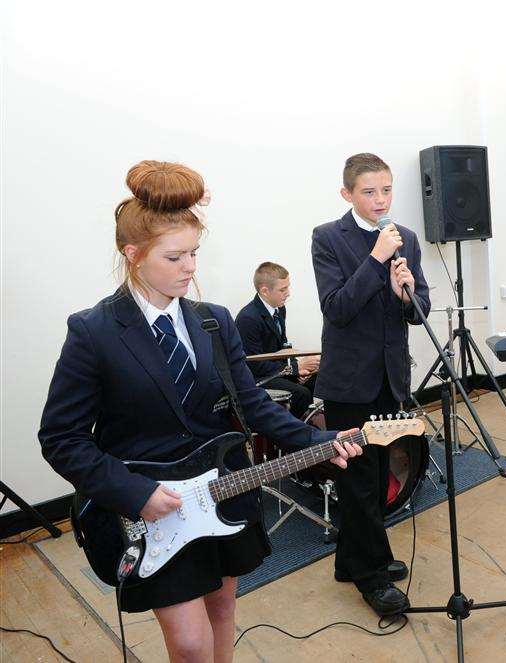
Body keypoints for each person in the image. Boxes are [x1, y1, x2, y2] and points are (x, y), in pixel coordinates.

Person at [38, 160, 361, 663]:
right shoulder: (93, 331)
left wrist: (320, 440)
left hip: (222, 488)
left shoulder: (213, 321)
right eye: (175, 256)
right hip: (152, 508)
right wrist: (135, 494)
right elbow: (61, 437)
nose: (190, 267)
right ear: (133, 254)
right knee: (189, 643)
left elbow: (252, 405)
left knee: (223, 607)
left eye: (194, 253)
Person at [311, 152, 430, 616]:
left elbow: (416, 308)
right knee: (358, 480)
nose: (380, 200)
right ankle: (372, 576)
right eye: (368, 192)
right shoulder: (328, 238)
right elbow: (337, 307)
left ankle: (353, 560)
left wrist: (406, 294)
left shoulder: (409, 240)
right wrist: (376, 259)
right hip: (349, 382)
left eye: (386, 190)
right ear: (347, 194)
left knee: (380, 474)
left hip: (390, 378)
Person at [235, 261, 320, 418]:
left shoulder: (280, 308)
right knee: (301, 394)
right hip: (260, 377)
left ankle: (300, 423)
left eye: (288, 287)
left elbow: (283, 348)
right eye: (283, 289)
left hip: (276, 370)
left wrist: (298, 370)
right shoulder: (248, 319)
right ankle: (289, 432)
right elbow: (255, 365)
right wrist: (294, 368)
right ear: (265, 291)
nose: (288, 293)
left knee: (318, 381)